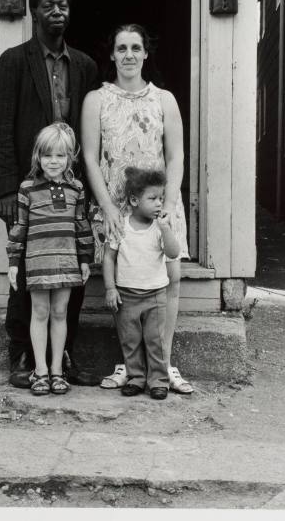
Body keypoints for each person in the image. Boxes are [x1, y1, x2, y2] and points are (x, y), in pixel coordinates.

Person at [0, 0, 99, 388]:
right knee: (27, 276)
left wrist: (90, 192)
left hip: (69, 193)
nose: (57, 12)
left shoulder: (84, 66)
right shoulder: (14, 62)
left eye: (63, 5)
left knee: (70, 274)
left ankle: (62, 356)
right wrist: (5, 190)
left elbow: (92, 132)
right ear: (34, 11)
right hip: (25, 193)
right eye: (49, 5)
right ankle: (23, 355)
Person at [81, 23, 194, 394]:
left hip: (159, 208)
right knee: (123, 283)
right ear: (111, 55)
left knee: (170, 279)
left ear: (146, 53)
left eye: (136, 48)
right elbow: (91, 159)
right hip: (118, 210)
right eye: (121, 48)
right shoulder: (97, 99)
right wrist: (107, 207)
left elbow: (176, 155)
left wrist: (171, 202)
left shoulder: (164, 100)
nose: (129, 55)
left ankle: (164, 363)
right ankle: (129, 365)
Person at [7, 123, 94, 395]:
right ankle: (40, 370)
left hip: (66, 260)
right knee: (40, 312)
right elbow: (19, 228)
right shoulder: (27, 189)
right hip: (38, 262)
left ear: (70, 157)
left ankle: (57, 369)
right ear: (38, 157)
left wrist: (84, 260)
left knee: (60, 313)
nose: (53, 161)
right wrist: (13, 262)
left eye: (60, 155)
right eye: (47, 155)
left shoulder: (76, 188)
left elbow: (81, 225)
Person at [103, 167, 179, 400]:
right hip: (127, 296)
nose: (159, 204)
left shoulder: (160, 227)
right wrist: (110, 288)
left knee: (155, 341)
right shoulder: (121, 226)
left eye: (161, 199)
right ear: (134, 200)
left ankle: (158, 380)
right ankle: (136, 378)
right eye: (153, 199)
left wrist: (166, 230)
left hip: (155, 296)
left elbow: (174, 253)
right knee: (131, 341)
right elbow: (108, 257)